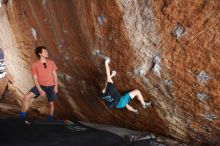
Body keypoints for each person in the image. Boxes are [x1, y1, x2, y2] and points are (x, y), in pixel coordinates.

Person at [19, 46, 58, 121]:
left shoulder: (51, 62)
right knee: (26, 97)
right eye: (45, 52)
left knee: (51, 103)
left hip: (51, 86)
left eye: (46, 51)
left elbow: (55, 75)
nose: (47, 53)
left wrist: (56, 86)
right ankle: (22, 117)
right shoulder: (35, 65)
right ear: (40, 54)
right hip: (40, 86)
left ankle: (50, 119)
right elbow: (35, 79)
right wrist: (40, 90)